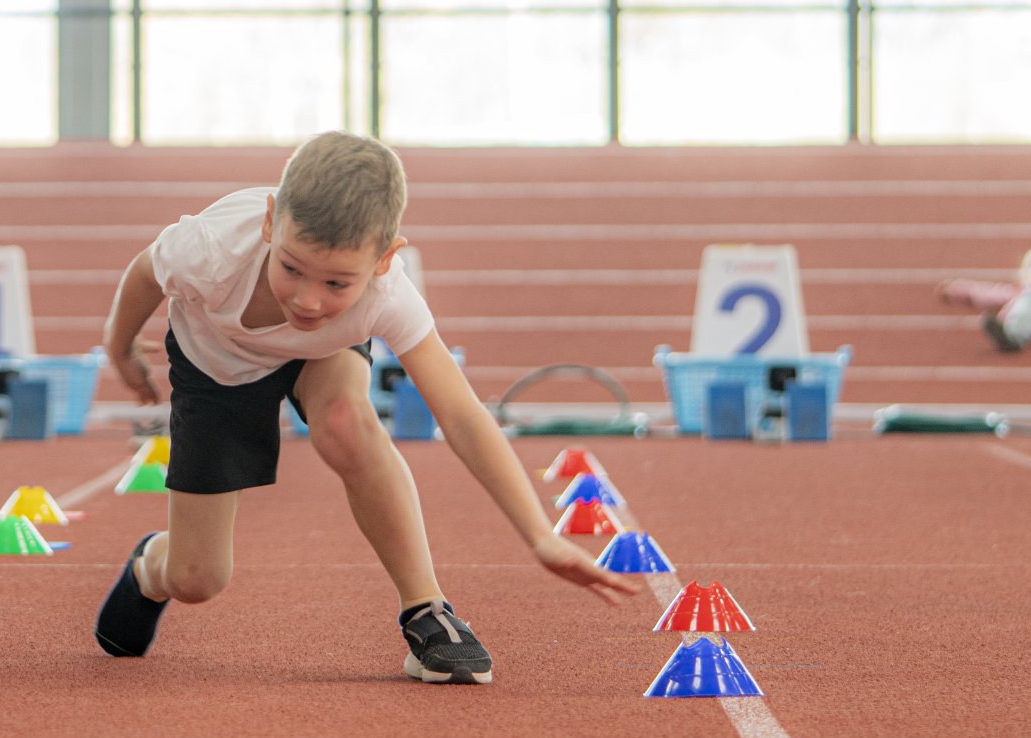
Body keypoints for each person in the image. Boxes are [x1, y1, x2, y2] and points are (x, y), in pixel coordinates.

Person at [93, 131, 643, 684]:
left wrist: (540, 534)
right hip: (215, 364)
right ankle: (152, 567)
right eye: (292, 268)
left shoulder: (386, 296)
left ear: (384, 259)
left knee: (346, 423)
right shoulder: (211, 250)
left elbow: (463, 416)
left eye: (337, 282)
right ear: (269, 222)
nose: (309, 300)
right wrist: (119, 349)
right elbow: (145, 273)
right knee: (199, 579)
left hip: (323, 354)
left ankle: (426, 609)